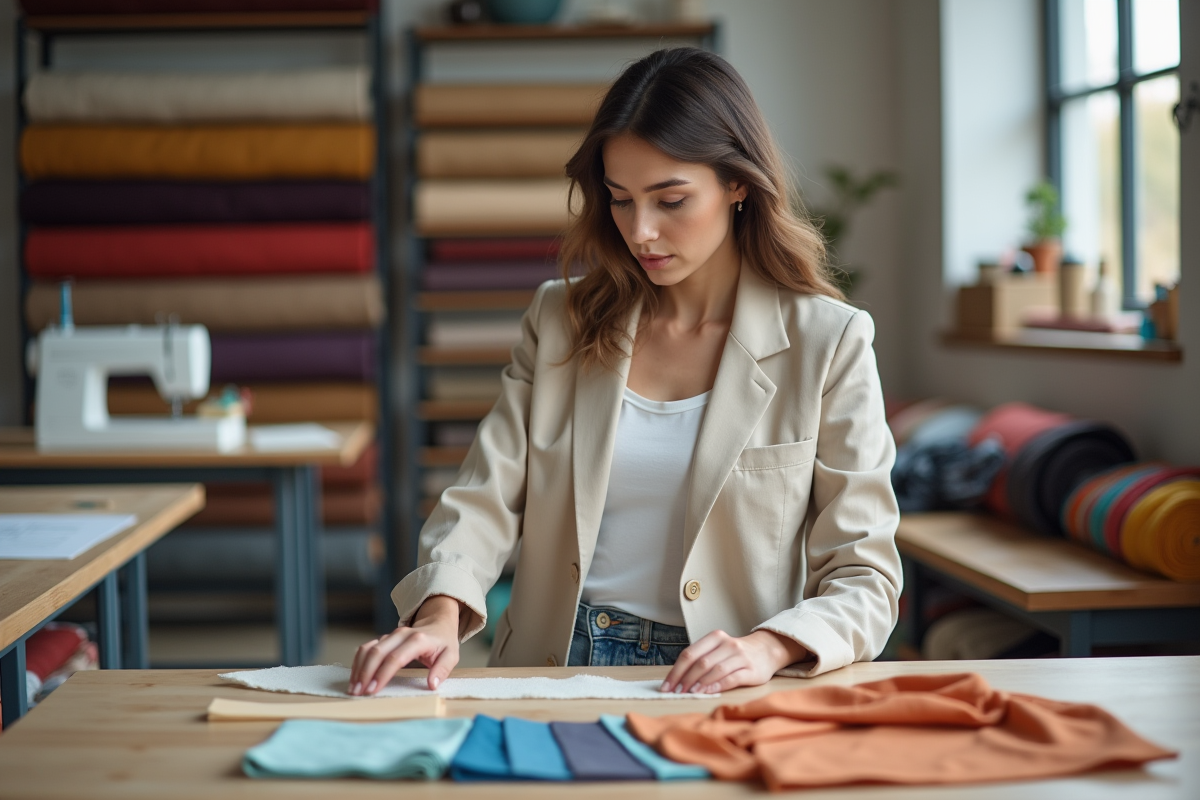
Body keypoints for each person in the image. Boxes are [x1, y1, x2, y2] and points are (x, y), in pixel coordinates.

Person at [350, 47, 901, 697]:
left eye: (670, 200)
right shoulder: (560, 318)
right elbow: (485, 496)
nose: (641, 232)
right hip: (553, 661)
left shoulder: (829, 341)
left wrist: (768, 647)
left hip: (727, 677)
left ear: (737, 183)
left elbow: (866, 576)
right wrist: (440, 613)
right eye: (620, 200)